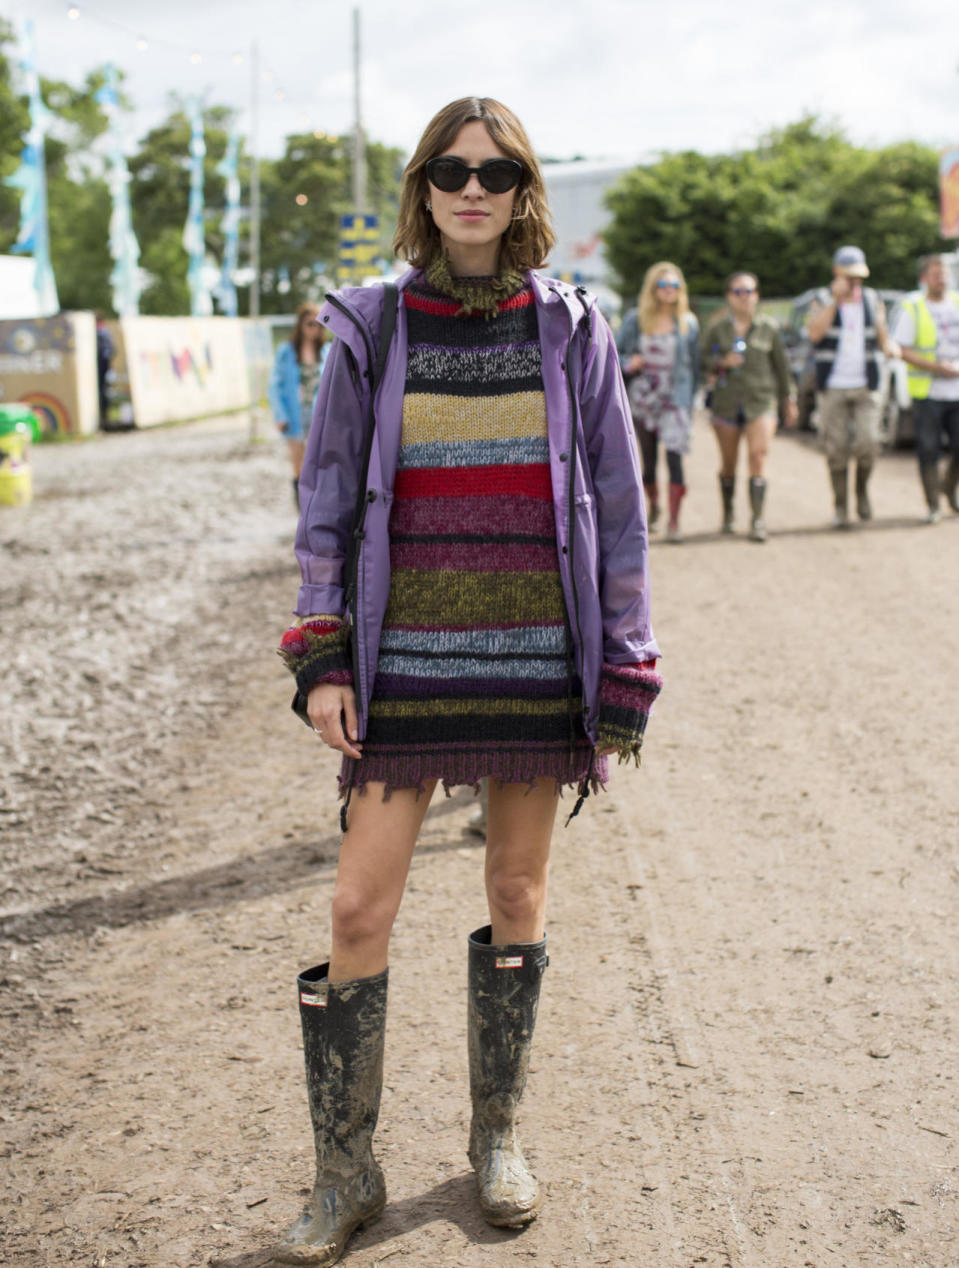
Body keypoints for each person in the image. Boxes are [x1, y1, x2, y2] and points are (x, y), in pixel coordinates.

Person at [272, 96, 663, 1266]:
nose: (470, 186)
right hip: (402, 671)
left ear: (523, 187)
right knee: (356, 906)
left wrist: (623, 661)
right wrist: (321, 653)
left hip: (534, 660)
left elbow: (619, 504)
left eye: (493, 169)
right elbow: (326, 501)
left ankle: (497, 1133)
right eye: (448, 168)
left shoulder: (570, 327)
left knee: (517, 891)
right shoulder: (373, 327)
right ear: (422, 187)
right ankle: (346, 1168)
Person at [806, 246, 900, 528]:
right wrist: (835, 301)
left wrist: (890, 346)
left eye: (858, 277)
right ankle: (841, 506)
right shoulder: (821, 299)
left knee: (869, 442)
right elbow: (814, 334)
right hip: (833, 385)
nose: (855, 282)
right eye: (850, 277)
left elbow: (883, 338)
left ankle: (861, 490)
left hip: (866, 383)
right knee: (836, 450)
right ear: (837, 273)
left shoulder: (872, 299)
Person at [701, 272, 797, 541]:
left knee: (758, 455)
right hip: (727, 403)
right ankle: (729, 513)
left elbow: (782, 367)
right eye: (738, 292)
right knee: (728, 464)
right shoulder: (717, 328)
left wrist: (789, 399)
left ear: (757, 295)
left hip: (761, 401)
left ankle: (757, 520)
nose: (744, 297)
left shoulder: (769, 327)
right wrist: (722, 362)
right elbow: (703, 361)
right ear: (729, 296)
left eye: (749, 291)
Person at [616, 262, 700, 542]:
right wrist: (630, 363)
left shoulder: (688, 323)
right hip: (644, 398)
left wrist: (691, 402)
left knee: (675, 459)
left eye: (675, 286)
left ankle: (674, 521)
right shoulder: (636, 319)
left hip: (675, 400)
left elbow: (695, 367)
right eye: (663, 285)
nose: (669, 291)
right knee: (648, 461)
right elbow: (615, 356)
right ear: (653, 289)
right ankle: (654, 507)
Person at [891, 253, 959, 523]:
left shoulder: (956, 302)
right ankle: (933, 504)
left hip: (957, 391)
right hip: (928, 392)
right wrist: (936, 368)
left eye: (944, 274)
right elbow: (902, 350)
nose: (941, 279)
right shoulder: (914, 307)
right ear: (923, 279)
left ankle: (949, 489)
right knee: (928, 449)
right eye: (935, 274)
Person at [268, 302, 330, 507]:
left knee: (318, 462)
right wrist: (280, 416)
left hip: (318, 414)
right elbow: (275, 386)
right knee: (298, 463)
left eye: (318, 324)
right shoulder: (286, 352)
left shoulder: (327, 351)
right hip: (294, 413)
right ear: (301, 325)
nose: (314, 328)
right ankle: (302, 508)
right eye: (309, 324)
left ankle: (316, 505)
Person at [95, 312, 114, 428]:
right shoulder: (105, 332)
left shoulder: (99, 333)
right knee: (104, 391)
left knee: (101, 392)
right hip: (105, 367)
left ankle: (103, 418)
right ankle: (104, 417)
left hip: (100, 367)